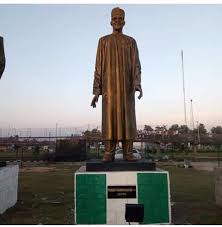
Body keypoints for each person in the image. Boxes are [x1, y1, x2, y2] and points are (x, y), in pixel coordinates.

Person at [91, 7, 143, 162]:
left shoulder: (130, 42)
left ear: (124, 21)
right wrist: (96, 90)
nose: (118, 21)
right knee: (109, 118)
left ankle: (128, 152)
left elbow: (136, 65)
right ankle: (109, 152)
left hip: (126, 89)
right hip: (109, 89)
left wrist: (137, 83)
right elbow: (98, 66)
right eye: (115, 19)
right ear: (110, 22)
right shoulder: (103, 41)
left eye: (120, 18)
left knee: (128, 118)